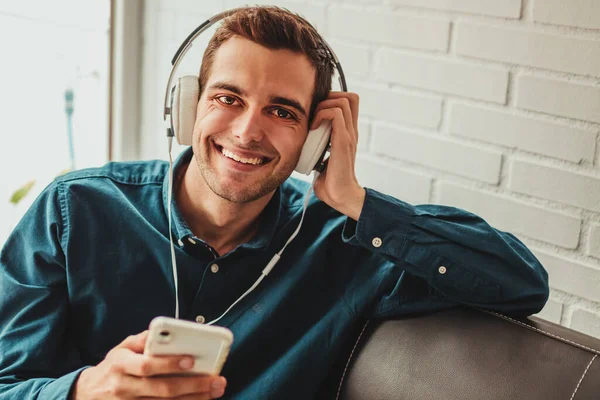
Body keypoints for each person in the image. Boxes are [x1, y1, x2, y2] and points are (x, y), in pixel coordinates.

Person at [0, 6, 549, 400]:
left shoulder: (341, 243)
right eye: (227, 98)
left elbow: (521, 282)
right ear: (189, 105)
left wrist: (356, 200)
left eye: (283, 112)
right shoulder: (74, 210)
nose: (247, 131)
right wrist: (84, 390)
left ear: (316, 138)